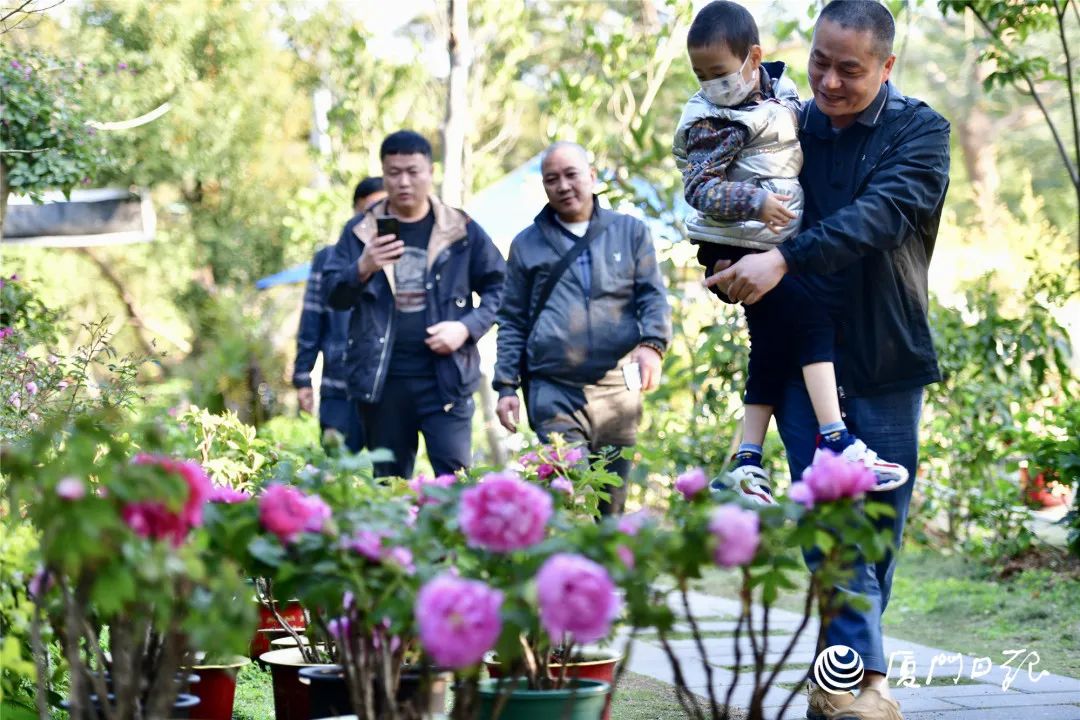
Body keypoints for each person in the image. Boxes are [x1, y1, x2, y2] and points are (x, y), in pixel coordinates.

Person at [702, 2, 950, 718]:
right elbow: (732, 203)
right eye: (819, 62)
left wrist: (783, 259)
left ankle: (833, 682)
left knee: (877, 535)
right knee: (832, 530)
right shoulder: (783, 122)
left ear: (887, 66)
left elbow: (882, 216)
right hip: (801, 360)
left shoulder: (920, 132)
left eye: (850, 69)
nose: (830, 82)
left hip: (887, 356)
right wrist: (724, 263)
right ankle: (868, 688)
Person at [676, 0, 909, 506]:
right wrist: (751, 209)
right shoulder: (714, 119)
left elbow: (882, 214)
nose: (712, 86)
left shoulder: (783, 98)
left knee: (770, 348)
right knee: (810, 323)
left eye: (720, 74)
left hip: (774, 249)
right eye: (701, 75)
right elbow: (698, 188)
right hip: (744, 240)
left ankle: (746, 460)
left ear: (754, 58)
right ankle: (836, 438)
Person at [493, 142, 672, 515]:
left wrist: (653, 344)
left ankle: (610, 553)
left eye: (571, 175)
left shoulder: (630, 232)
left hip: (618, 390)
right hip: (554, 389)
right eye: (551, 179)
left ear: (591, 176)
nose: (562, 186)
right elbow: (512, 319)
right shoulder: (526, 244)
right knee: (570, 492)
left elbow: (652, 296)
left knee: (611, 504)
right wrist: (506, 385)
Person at [323, 130, 506, 478]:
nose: (403, 182)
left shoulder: (461, 229)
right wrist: (362, 267)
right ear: (383, 173)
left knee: (455, 483)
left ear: (430, 172)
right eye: (394, 173)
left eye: (413, 171)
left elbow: (501, 288)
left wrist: (465, 328)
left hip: (446, 380)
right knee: (389, 487)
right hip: (382, 383)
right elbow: (333, 296)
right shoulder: (360, 230)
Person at [293, 177, 386, 452]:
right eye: (369, 209)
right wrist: (303, 376)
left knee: (389, 471)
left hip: (386, 388)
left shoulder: (400, 255)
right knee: (337, 467)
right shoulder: (328, 259)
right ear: (356, 210)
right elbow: (312, 318)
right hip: (339, 386)